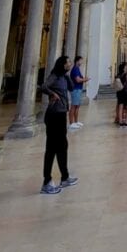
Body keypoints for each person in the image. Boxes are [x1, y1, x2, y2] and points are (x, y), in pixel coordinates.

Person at [40, 55, 78, 195]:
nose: (70, 63)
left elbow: (72, 87)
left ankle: (65, 177)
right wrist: (52, 94)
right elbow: (43, 86)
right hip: (54, 114)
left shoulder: (63, 77)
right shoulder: (54, 75)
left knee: (62, 146)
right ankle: (46, 182)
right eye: (68, 62)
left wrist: (67, 75)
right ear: (63, 64)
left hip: (61, 114)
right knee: (51, 148)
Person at [68, 55, 85, 130]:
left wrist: (83, 79)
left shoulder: (77, 69)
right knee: (73, 106)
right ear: (77, 61)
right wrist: (85, 79)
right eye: (81, 60)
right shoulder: (75, 69)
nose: (82, 62)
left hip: (79, 89)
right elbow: (78, 80)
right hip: (75, 89)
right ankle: (71, 123)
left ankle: (76, 121)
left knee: (77, 106)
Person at [114, 62, 127, 127]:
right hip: (125, 92)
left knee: (120, 106)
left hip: (119, 92)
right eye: (126, 67)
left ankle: (120, 121)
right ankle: (126, 122)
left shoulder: (117, 75)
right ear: (124, 68)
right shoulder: (126, 74)